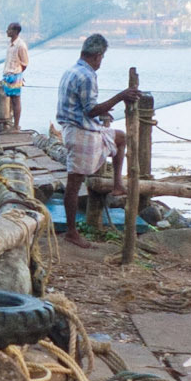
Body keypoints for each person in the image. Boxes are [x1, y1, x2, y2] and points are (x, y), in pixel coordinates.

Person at [56, 33, 125, 248]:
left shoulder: (72, 70)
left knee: (121, 138)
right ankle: (71, 231)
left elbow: (83, 107)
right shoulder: (87, 76)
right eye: (102, 58)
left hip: (80, 126)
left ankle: (117, 184)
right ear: (97, 56)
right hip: (79, 132)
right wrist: (120, 96)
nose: (101, 62)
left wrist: (102, 114)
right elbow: (90, 108)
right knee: (74, 183)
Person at [1, 21, 29, 130]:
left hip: (15, 74)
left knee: (16, 100)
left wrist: (18, 75)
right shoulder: (10, 44)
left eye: (9, 29)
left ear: (15, 31)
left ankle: (16, 125)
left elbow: (25, 63)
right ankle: (11, 123)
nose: (7, 31)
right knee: (10, 100)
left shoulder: (20, 45)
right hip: (7, 74)